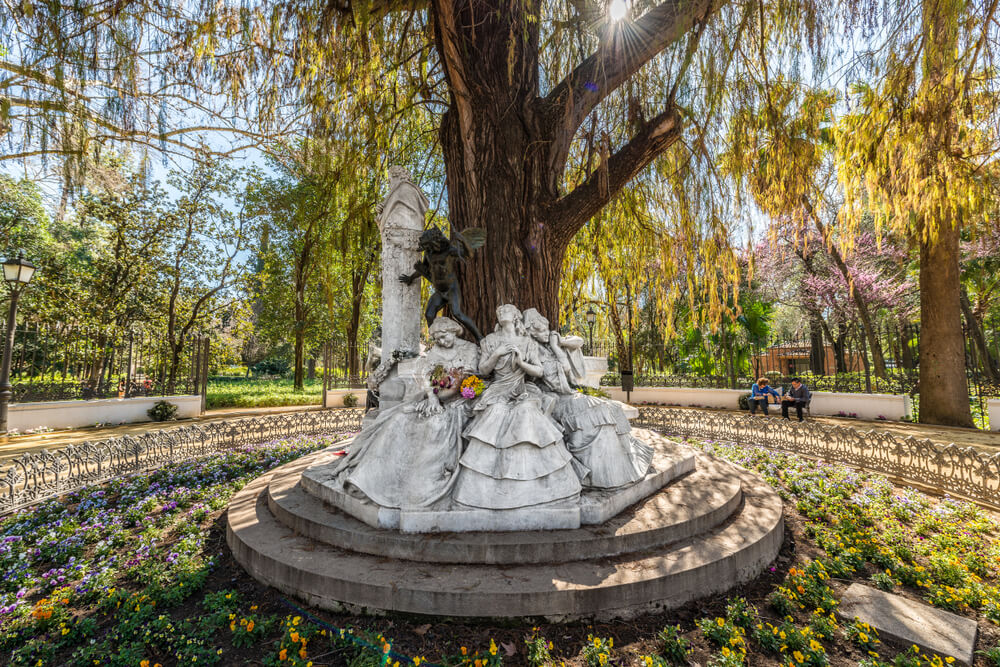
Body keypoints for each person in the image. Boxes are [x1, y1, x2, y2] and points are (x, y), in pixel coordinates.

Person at [326, 317, 478, 509]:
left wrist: (439, 399)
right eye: (437, 338)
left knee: (434, 425)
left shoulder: (469, 350)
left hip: (458, 401)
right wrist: (431, 397)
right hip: (431, 398)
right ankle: (369, 479)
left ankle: (418, 486)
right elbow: (425, 377)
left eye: (444, 336)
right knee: (398, 418)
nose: (441, 341)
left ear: (453, 331)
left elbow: (464, 379)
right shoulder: (435, 352)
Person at [451, 304, 581, 510]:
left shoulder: (527, 342)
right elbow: (483, 370)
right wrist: (497, 354)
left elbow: (538, 371)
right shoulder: (489, 341)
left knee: (527, 412)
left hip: (521, 388)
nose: (502, 312)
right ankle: (485, 487)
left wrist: (521, 363)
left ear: (516, 317)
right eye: (499, 311)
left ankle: (532, 482)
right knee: (494, 413)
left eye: (507, 310)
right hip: (497, 389)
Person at [522, 308, 652, 489]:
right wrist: (554, 347)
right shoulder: (533, 350)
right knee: (600, 409)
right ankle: (601, 477)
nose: (546, 333)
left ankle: (627, 463)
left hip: (569, 394)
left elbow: (577, 345)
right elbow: (554, 377)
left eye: (546, 329)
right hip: (555, 398)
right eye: (541, 331)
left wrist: (557, 343)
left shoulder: (550, 345)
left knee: (611, 407)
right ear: (531, 332)